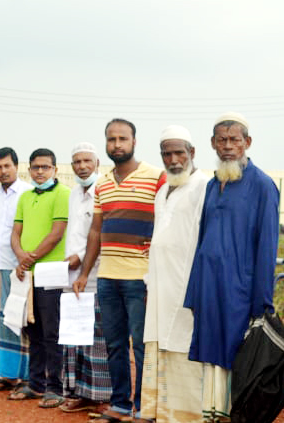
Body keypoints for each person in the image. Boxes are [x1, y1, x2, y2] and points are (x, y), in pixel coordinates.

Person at [183, 112, 280, 421]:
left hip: (240, 289)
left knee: (237, 354)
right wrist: (194, 292)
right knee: (212, 352)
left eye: (234, 140)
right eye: (221, 140)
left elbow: (266, 247)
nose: (227, 146)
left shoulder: (263, 185)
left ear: (246, 143)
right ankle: (214, 413)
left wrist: (260, 302)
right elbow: (202, 241)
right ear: (213, 143)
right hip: (209, 287)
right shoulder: (214, 184)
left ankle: (235, 414)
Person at [74, 118, 166, 422]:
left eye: (122, 139)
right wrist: (86, 273)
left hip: (140, 279)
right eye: (111, 139)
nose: (117, 144)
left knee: (140, 347)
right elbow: (95, 232)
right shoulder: (102, 184)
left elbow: (167, 222)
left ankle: (143, 407)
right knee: (113, 345)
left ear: (134, 142)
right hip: (107, 278)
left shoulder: (156, 177)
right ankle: (121, 405)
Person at [138, 125, 209, 423]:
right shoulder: (163, 190)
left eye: (179, 152)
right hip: (160, 287)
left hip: (188, 286)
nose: (173, 159)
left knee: (184, 346)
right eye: (166, 153)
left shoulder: (205, 186)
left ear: (192, 153)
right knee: (161, 345)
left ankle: (189, 416)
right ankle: (163, 414)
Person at [8, 148, 70, 409]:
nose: (40, 172)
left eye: (46, 167)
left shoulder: (63, 194)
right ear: (29, 170)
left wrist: (28, 259)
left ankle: (55, 388)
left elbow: (57, 234)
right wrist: (21, 257)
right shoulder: (24, 196)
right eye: (36, 167)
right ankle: (35, 384)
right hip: (28, 274)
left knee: (52, 331)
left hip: (52, 273)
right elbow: (15, 232)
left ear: (55, 169)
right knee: (32, 330)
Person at [61, 143, 111, 413]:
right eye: (77, 162)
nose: (81, 166)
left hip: (96, 270)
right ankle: (79, 392)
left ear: (97, 163)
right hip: (73, 274)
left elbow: (100, 233)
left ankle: (102, 396)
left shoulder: (103, 191)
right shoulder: (73, 194)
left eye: (86, 161)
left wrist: (81, 258)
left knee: (97, 335)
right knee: (74, 334)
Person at [0, 147, 33, 392]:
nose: (3, 171)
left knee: (22, 320)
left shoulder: (28, 192)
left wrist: (25, 261)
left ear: (16, 166)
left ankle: (28, 377)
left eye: (7, 166)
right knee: (3, 321)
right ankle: (7, 374)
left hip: (20, 268)